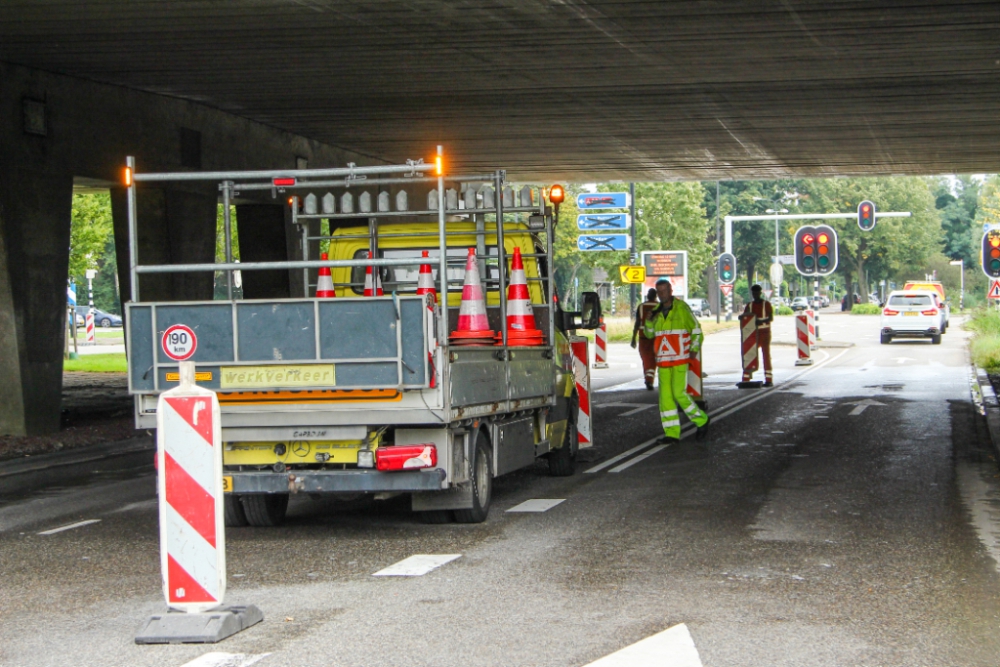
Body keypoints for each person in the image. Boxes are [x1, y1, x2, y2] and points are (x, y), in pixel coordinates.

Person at [643, 278, 710, 443]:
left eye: (664, 291)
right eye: (659, 292)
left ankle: (702, 420)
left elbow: (696, 330)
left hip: (680, 358)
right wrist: (649, 321)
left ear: (670, 290)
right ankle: (671, 433)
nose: (661, 294)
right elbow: (650, 334)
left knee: (679, 394)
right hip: (664, 361)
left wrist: (694, 349)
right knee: (665, 398)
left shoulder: (682, 308)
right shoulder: (657, 312)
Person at [742, 284, 774, 386]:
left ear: (760, 293)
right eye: (754, 293)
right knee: (749, 354)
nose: (755, 295)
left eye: (757, 293)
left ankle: (768, 379)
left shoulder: (766, 304)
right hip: (753, 334)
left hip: (764, 333)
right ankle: (746, 378)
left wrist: (758, 322)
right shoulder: (749, 306)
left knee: (766, 355)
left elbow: (770, 318)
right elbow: (745, 316)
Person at [631, 288, 659, 390]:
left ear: (648, 296)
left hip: (643, 337)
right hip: (656, 337)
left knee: (646, 358)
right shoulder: (659, 306)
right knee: (653, 358)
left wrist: (633, 337)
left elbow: (637, 322)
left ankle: (648, 379)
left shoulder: (641, 307)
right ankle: (649, 379)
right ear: (656, 296)